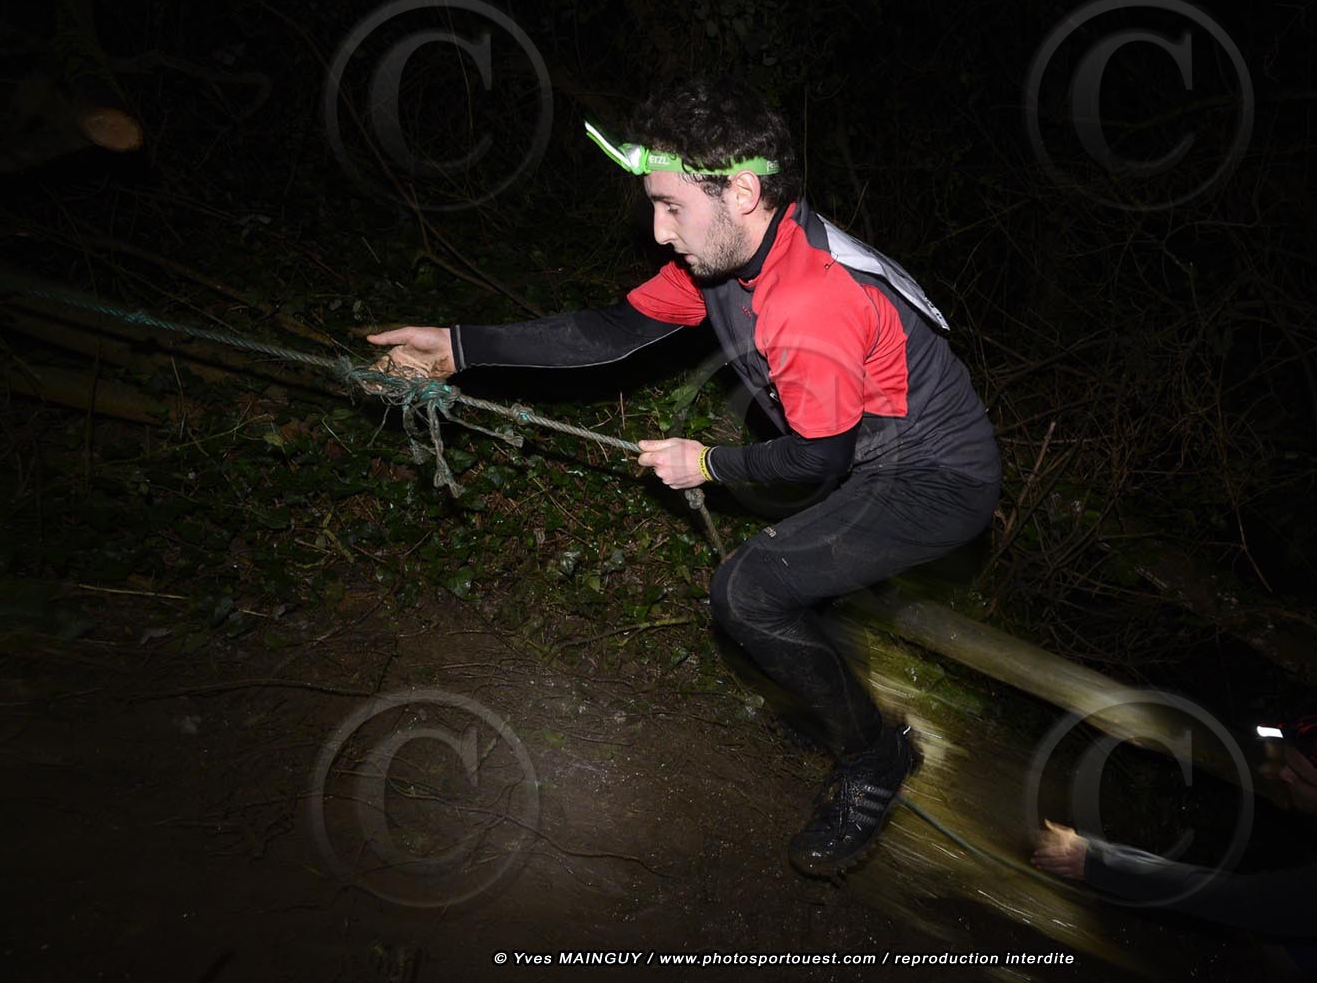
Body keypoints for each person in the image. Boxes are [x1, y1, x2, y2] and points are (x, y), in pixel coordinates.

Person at [368, 76, 1000, 875]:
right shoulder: (729, 257)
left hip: (933, 479)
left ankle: (877, 757)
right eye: (654, 207)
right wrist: (460, 346)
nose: (660, 233)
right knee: (799, 575)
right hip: (858, 448)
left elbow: (816, 459)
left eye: (671, 207)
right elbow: (613, 331)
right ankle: (834, 690)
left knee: (748, 592)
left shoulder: (807, 300)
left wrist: (703, 461)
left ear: (742, 192)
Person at [1031, 709, 1317, 980]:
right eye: (1287, 763)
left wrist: (1094, 860)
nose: (1283, 776)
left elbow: (1233, 898)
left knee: (1276, 941)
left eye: (1300, 778)